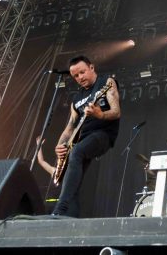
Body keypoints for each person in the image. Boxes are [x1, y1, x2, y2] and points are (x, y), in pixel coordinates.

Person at [52, 56, 120, 217]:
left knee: (77, 152)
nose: (80, 77)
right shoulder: (76, 99)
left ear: (92, 67)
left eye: (82, 72)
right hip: (81, 139)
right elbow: (70, 127)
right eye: (75, 76)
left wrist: (100, 114)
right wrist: (60, 145)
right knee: (72, 182)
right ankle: (69, 218)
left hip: (103, 134)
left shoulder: (106, 83)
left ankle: (60, 209)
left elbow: (116, 112)